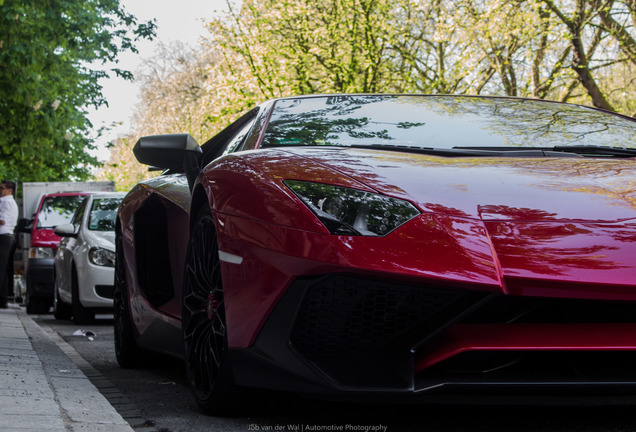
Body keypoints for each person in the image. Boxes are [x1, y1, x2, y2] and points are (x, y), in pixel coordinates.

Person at [0, 180, 18, 308]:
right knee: (4, 269)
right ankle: (2, 299)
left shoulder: (6, 202)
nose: (0, 190)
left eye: (2, 188)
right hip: (7, 237)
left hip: (3, 236)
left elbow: (2, 221)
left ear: (9, 190)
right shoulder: (9, 202)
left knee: (1, 269)